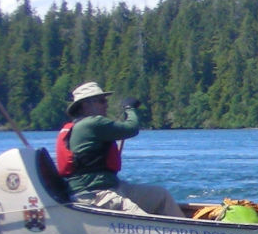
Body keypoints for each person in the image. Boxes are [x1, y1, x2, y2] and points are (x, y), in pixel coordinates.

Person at [55, 81, 182, 216]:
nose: (106, 104)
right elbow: (131, 128)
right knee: (144, 221)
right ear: (85, 105)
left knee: (160, 196)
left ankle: (185, 233)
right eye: (101, 101)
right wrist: (129, 108)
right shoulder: (93, 123)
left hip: (110, 188)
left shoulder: (82, 126)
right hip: (95, 195)